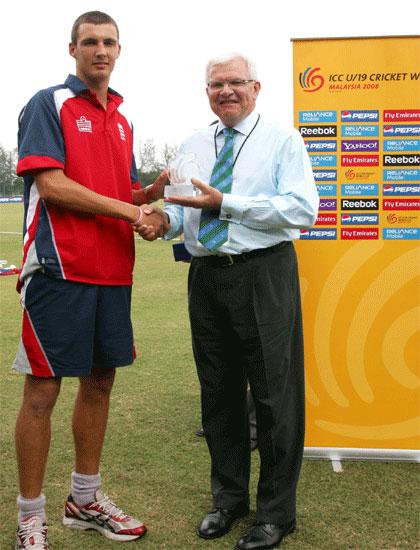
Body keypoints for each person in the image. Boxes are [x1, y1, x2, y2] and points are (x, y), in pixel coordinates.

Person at [143, 53, 319, 549]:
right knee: (217, 393)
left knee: (274, 398)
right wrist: (162, 224)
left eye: (235, 83)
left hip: (264, 273)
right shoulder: (194, 143)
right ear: (207, 92)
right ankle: (229, 499)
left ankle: (276, 513)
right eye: (216, 84)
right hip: (206, 277)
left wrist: (228, 204)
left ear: (256, 87)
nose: (226, 91)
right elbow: (184, 214)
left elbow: (302, 209)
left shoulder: (283, 140)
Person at [13, 11, 168, 549]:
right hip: (59, 269)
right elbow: (53, 186)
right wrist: (131, 212)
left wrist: (150, 195)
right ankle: (30, 516)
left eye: (108, 43)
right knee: (43, 389)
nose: (100, 51)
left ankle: (84, 499)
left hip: (111, 272)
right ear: (72, 48)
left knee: (100, 382)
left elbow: (121, 188)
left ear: (119, 50)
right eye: (90, 42)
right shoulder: (49, 103)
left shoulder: (123, 119)